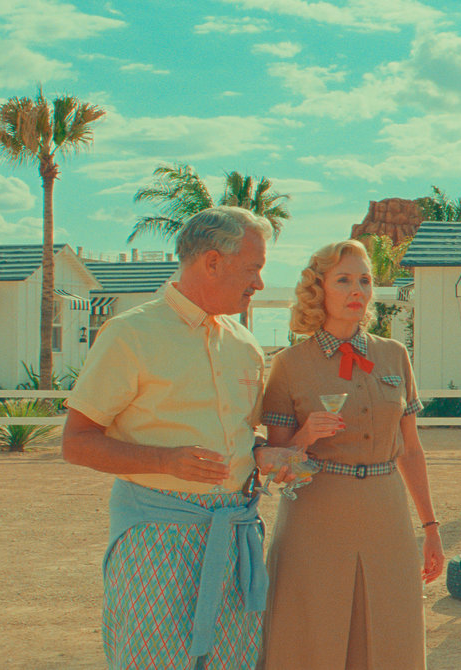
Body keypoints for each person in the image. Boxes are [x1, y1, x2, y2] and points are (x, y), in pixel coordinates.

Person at [62, 206, 297, 669]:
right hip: (154, 538)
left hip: (234, 536)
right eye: (253, 268)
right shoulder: (129, 334)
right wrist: (165, 461)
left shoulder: (246, 345)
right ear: (212, 262)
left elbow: (242, 435)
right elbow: (76, 442)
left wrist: (263, 453)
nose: (259, 283)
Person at [258, 240, 441, 669]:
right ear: (318, 289)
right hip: (316, 515)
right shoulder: (289, 364)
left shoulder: (394, 355)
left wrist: (431, 527)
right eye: (343, 280)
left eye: (364, 280)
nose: (357, 290)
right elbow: (279, 464)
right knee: (311, 633)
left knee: (391, 630)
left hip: (386, 512)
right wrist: (305, 435)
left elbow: (411, 450)